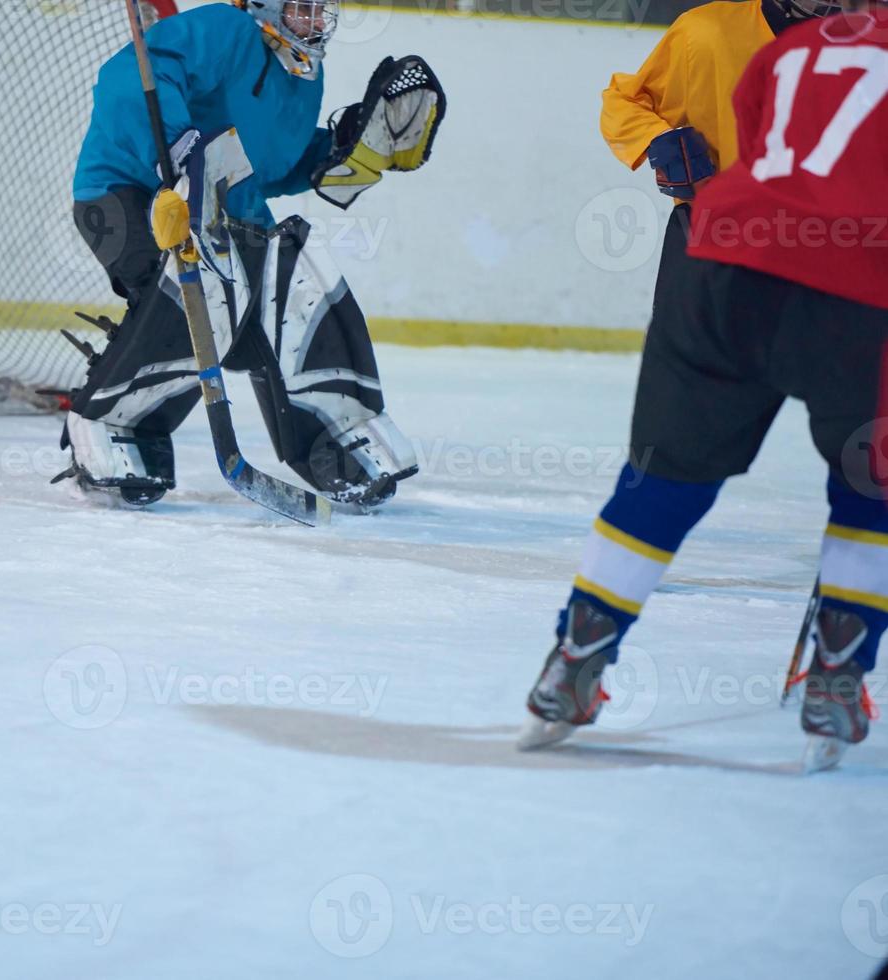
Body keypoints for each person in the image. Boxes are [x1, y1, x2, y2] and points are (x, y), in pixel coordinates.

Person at [522, 0, 888, 772]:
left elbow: (767, 153)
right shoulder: (716, 29)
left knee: (665, 472)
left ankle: (575, 655)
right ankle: (838, 672)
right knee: (872, 484)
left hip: (722, 260)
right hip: (854, 283)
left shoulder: (793, 50)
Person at [57, 0, 444, 507]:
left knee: (301, 280)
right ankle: (114, 428)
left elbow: (273, 164)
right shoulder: (226, 28)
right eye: (303, 8)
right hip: (131, 194)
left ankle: (340, 437)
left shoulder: (305, 77)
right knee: (198, 293)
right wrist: (175, 148)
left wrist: (341, 152)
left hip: (226, 215)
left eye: (321, 10)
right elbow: (127, 78)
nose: (316, 20)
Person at [601, 0, 804, 315]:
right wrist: (658, 141)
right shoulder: (706, 32)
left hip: (825, 247)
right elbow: (627, 101)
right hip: (711, 236)